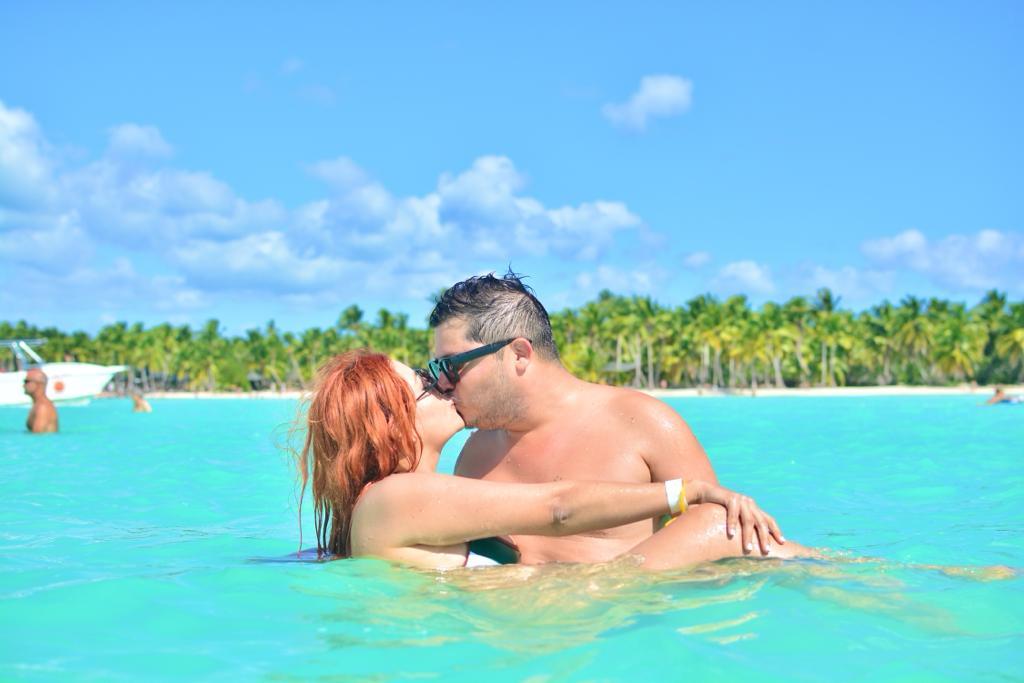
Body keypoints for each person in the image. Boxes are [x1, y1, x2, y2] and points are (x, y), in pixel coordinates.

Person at [428, 272, 807, 568]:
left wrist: (606, 589)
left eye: (451, 365)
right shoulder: (474, 456)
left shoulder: (640, 421)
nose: (442, 383)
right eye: (435, 369)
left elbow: (720, 533)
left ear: (519, 355)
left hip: (621, 626)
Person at [297, 350, 796, 570]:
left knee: (725, 535)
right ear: (392, 422)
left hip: (547, 619)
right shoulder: (395, 496)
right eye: (425, 384)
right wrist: (689, 492)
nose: (444, 383)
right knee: (716, 526)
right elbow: (558, 507)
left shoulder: (399, 502)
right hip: (575, 610)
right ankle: (837, 578)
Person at [23, 368, 58, 433]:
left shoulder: (43, 407)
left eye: (26, 381)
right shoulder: (38, 404)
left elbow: (39, 436)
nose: (23, 385)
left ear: (39, 384)